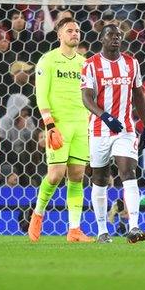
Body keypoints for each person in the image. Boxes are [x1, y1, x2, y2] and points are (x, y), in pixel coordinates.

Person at [81, 24, 145, 244]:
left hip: (126, 130)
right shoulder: (91, 65)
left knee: (128, 173)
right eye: (111, 35)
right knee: (99, 179)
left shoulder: (132, 63)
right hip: (100, 130)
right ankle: (102, 231)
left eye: (118, 36)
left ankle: (134, 226)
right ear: (102, 39)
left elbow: (139, 95)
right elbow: (86, 98)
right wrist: (104, 116)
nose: (115, 39)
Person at [27, 17, 93, 243]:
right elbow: (41, 95)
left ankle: (74, 229)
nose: (75, 33)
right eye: (70, 30)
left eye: (77, 30)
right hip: (59, 125)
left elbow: (90, 96)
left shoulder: (85, 64)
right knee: (55, 175)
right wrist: (50, 125)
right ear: (59, 35)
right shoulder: (48, 60)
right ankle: (37, 214)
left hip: (81, 125)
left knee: (77, 176)